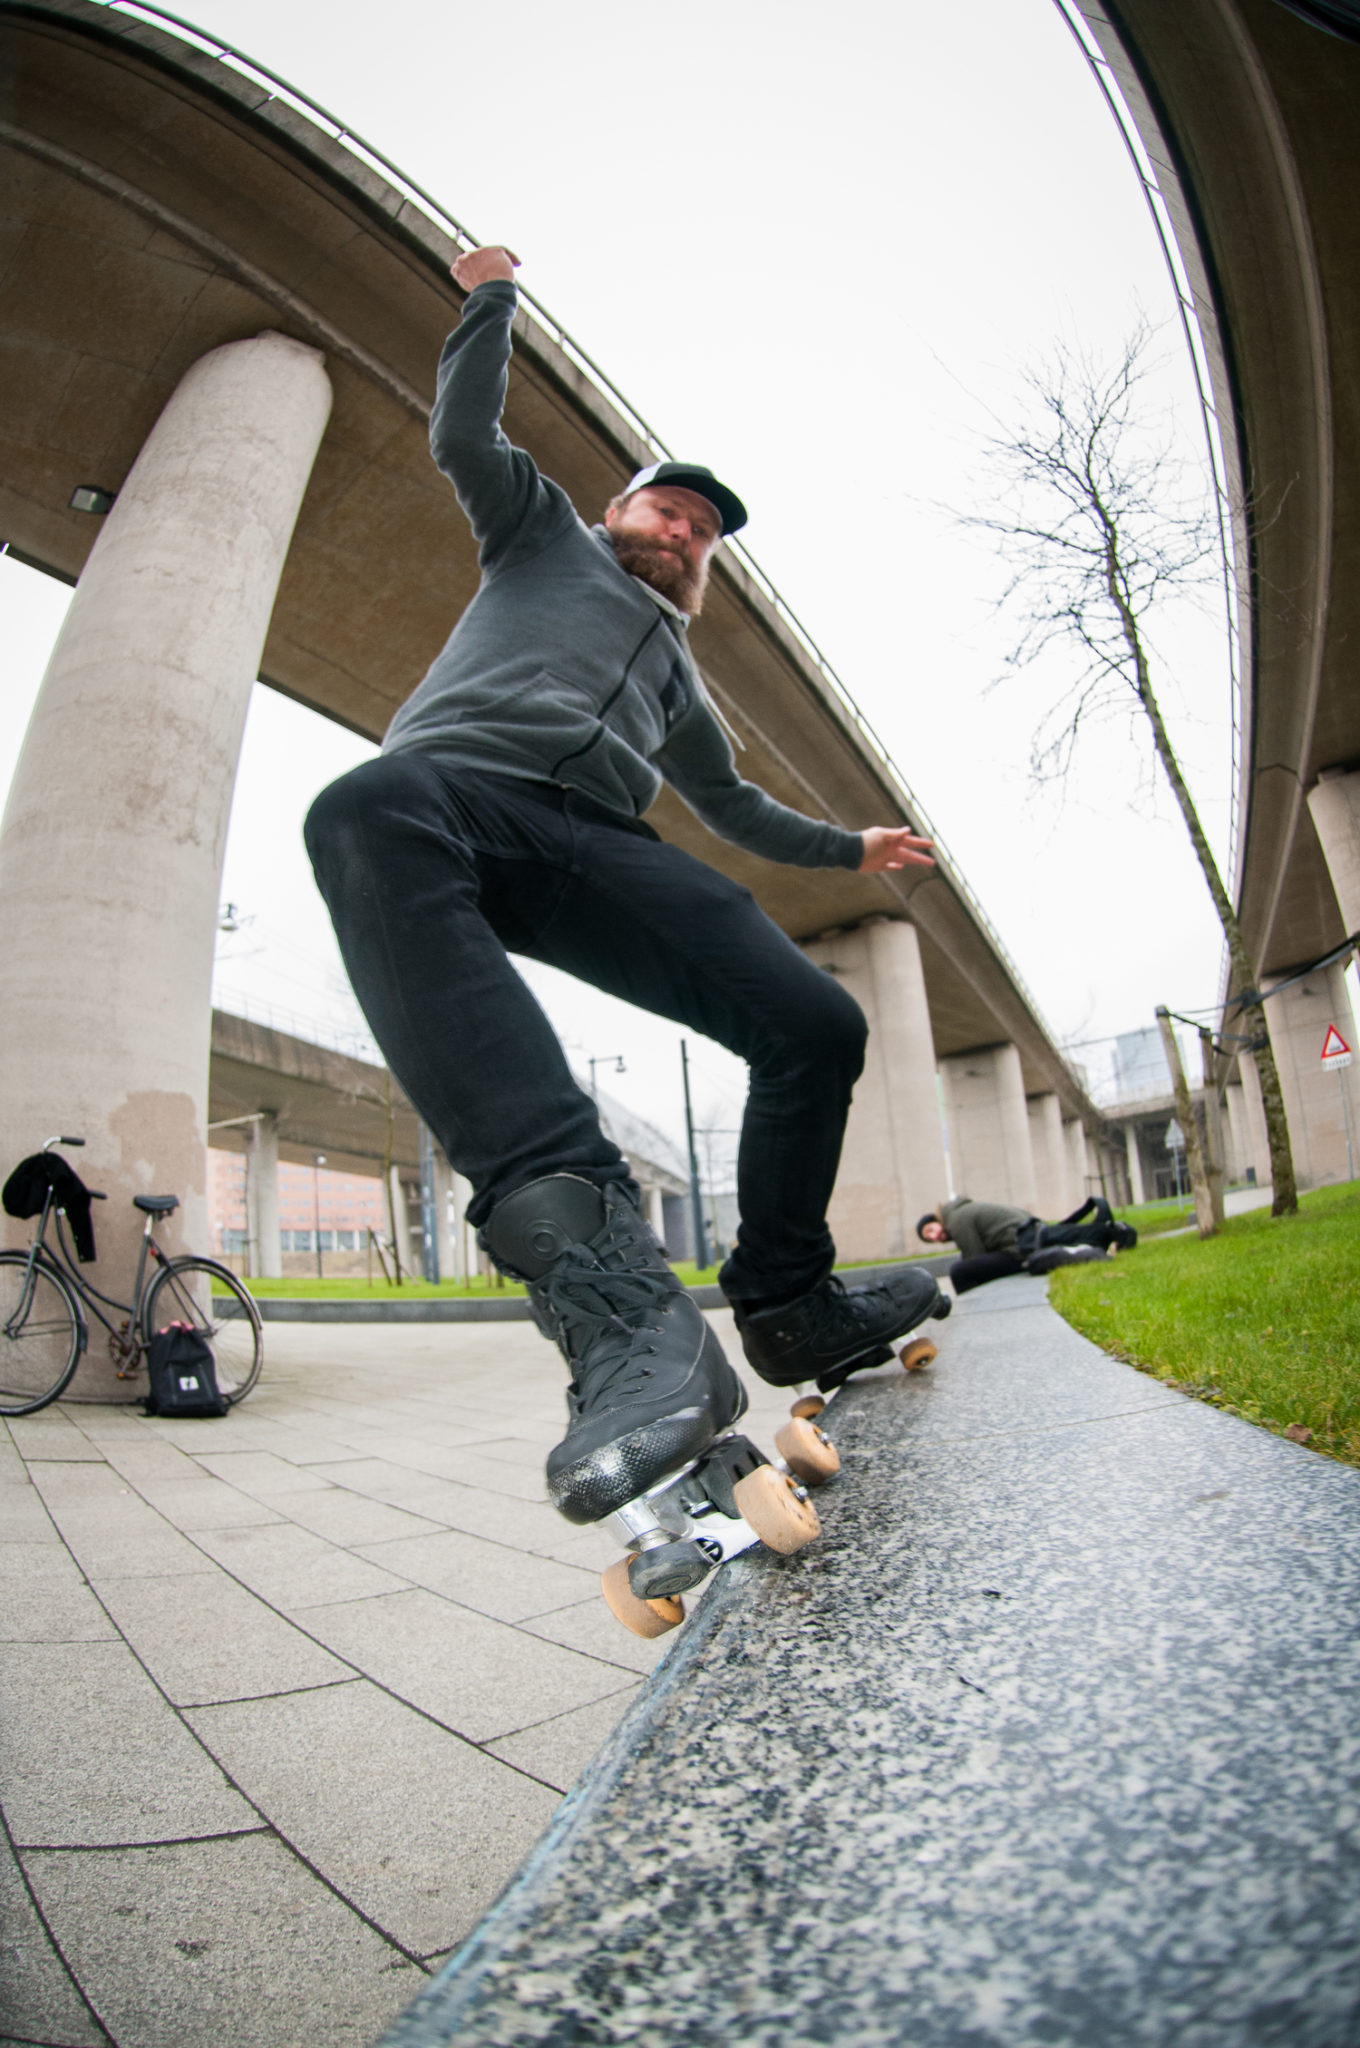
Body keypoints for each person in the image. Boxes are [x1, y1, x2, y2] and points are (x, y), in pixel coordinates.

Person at [304, 245, 948, 1549]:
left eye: (702, 535)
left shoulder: (679, 681)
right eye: (668, 512)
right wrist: (488, 299)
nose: (682, 536)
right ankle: (619, 1310)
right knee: (362, 806)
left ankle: (787, 1300)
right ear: (620, 509)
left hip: (595, 842)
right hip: (457, 793)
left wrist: (850, 852)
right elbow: (461, 428)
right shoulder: (538, 530)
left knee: (814, 1024)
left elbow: (732, 810)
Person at [917, 1194, 1134, 1293]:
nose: (934, 1236)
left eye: (931, 1230)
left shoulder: (956, 1219)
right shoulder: (962, 1210)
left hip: (1019, 1246)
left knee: (959, 1272)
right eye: (929, 1239)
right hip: (1031, 1235)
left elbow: (974, 1256)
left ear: (937, 1219)